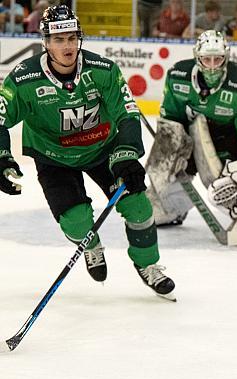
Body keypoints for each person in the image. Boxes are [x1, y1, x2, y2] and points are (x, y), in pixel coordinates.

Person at [0, 5, 176, 300]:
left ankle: (149, 265)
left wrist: (128, 154)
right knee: (76, 221)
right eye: (59, 40)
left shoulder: (103, 70)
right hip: (52, 157)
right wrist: (2, 156)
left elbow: (128, 114)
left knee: (138, 206)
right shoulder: (23, 79)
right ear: (45, 42)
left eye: (71, 38)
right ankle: (90, 244)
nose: (67, 46)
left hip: (101, 150)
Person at [145, 30, 237, 230]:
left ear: (226, 58)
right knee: (159, 185)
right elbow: (170, 121)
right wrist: (171, 152)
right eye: (207, 59)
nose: (212, 66)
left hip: (225, 144)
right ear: (197, 58)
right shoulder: (178, 76)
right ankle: (174, 209)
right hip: (189, 138)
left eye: (218, 59)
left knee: (226, 187)